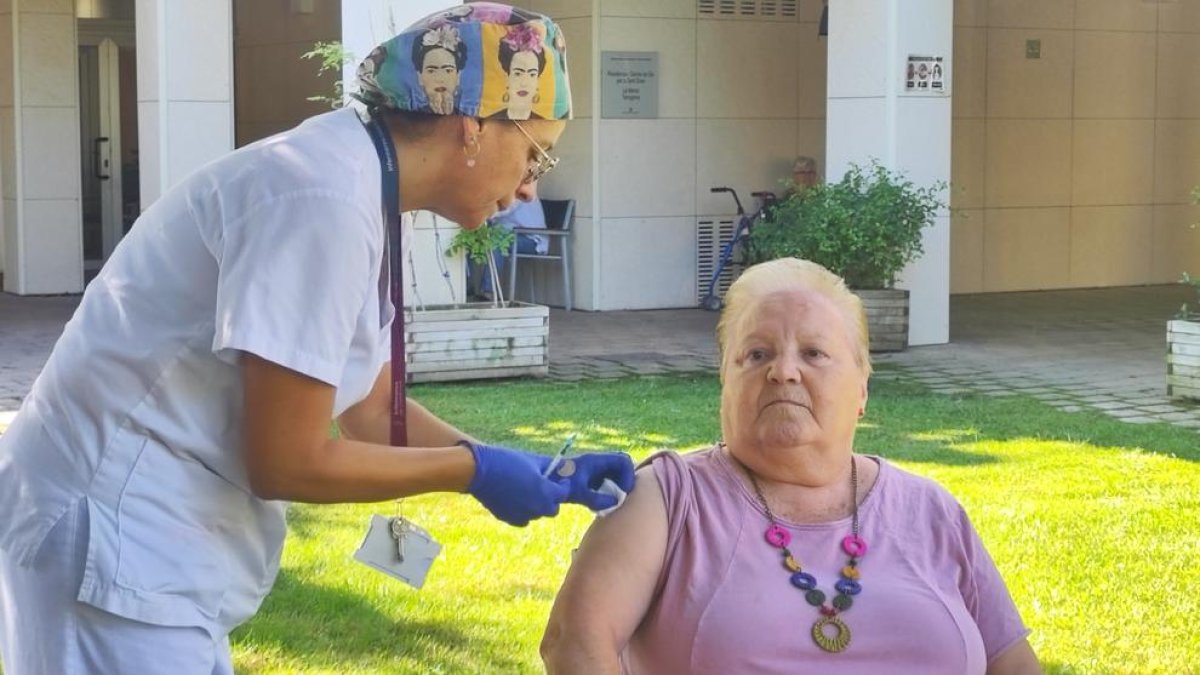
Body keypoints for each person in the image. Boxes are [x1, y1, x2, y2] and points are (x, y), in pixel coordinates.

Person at [0, 4, 633, 674]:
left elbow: (369, 410)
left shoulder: (358, 181)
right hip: (111, 543)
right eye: (535, 151)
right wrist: (472, 471)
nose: (531, 185)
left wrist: (515, 462)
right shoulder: (320, 197)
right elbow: (288, 459)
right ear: (473, 124)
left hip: (149, 548)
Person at [541, 258, 1041, 674]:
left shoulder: (931, 510)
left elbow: (1013, 665)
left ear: (862, 386)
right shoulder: (666, 498)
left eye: (814, 353)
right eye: (756, 354)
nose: (783, 371)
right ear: (726, 381)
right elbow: (574, 641)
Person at [471, 194, 549, 301]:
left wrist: (476, 214)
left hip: (531, 239)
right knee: (472, 242)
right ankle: (468, 289)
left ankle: (488, 292)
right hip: (508, 235)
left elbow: (503, 211)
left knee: (496, 245)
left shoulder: (521, 191)